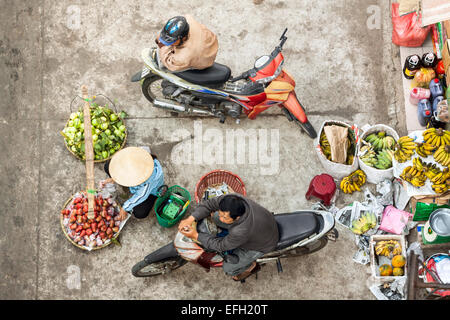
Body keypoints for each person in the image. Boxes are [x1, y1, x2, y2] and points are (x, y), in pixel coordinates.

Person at [179, 194, 279, 281]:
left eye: (225, 217)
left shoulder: (241, 231)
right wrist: (191, 218)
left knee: (228, 269)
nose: (221, 218)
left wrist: (196, 235)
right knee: (215, 217)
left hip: (263, 244)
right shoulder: (232, 200)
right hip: (262, 223)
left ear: (237, 218)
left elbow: (220, 245)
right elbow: (209, 204)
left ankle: (251, 267)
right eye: (221, 213)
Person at [100, 146, 164, 221]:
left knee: (140, 213)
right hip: (139, 181)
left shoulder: (149, 180)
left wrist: (125, 208)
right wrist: (115, 178)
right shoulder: (137, 154)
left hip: (151, 191)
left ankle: (153, 198)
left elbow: (141, 195)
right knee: (108, 166)